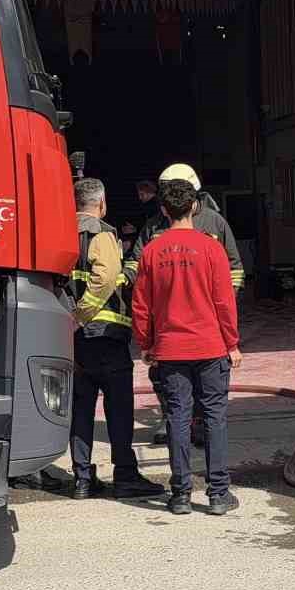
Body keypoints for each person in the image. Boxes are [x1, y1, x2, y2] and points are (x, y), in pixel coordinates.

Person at [131, 178, 241, 516]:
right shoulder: (211, 248)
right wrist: (232, 343)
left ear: (164, 210)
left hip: (170, 350)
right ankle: (218, 494)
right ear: (194, 207)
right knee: (214, 418)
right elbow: (224, 302)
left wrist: (146, 344)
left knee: (177, 418)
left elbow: (141, 304)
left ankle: (180, 495)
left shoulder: (152, 251)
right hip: (210, 347)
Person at [124, 163, 245, 445]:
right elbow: (137, 263)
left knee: (206, 381)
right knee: (162, 377)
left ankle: (198, 423)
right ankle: (171, 419)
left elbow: (234, 268)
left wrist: (227, 299)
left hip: (207, 320)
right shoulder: (154, 225)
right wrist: (124, 278)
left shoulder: (215, 223)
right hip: (167, 321)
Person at [66, 178, 163, 501]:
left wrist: (69, 322)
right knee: (119, 409)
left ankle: (82, 478)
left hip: (73, 339)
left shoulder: (61, 232)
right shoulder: (101, 233)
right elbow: (106, 276)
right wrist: (82, 315)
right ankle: (125, 475)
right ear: (102, 203)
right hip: (105, 336)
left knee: (81, 409)